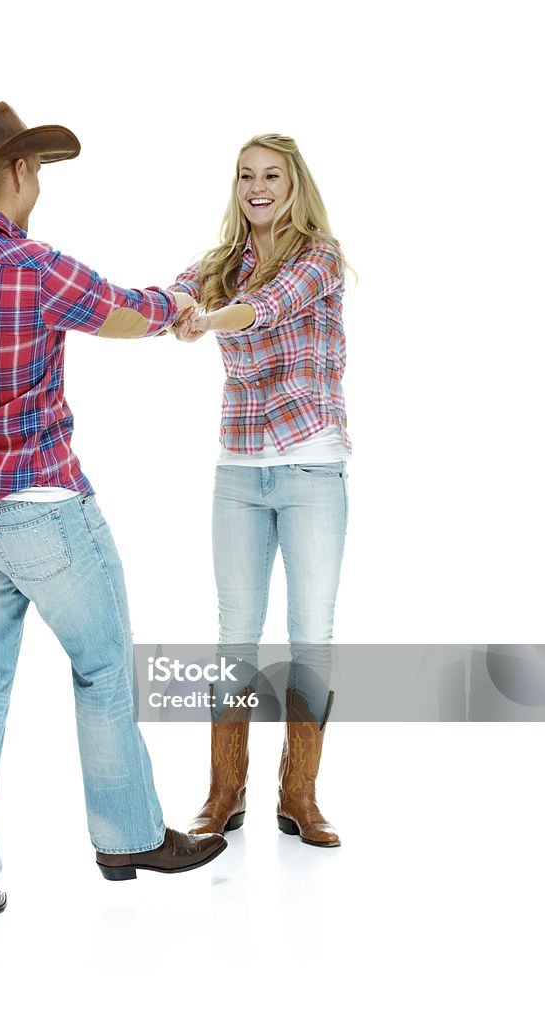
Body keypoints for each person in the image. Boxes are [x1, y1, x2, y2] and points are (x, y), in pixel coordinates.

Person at [0, 103, 226, 930]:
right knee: (104, 665)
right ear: (18, 172)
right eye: (37, 169)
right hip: (40, 505)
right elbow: (128, 311)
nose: (37, 181)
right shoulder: (32, 267)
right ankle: (129, 840)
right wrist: (185, 299)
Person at [170, 134, 350, 847]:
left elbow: (268, 307)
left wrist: (207, 318)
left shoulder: (319, 256)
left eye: (271, 174)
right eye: (246, 175)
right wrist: (174, 305)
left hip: (312, 469)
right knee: (234, 640)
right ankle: (224, 793)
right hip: (239, 472)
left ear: (293, 183)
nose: (257, 186)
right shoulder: (222, 262)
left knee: (312, 638)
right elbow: (179, 288)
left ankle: (299, 796)